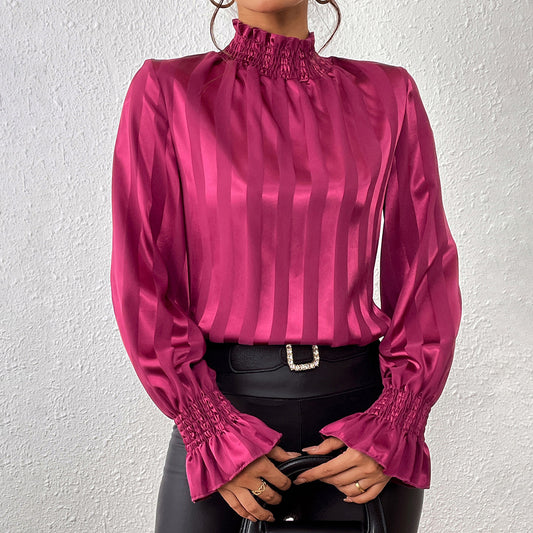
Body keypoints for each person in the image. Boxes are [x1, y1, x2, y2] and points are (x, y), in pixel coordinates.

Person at [110, 1, 462, 532]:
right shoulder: (168, 91)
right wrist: (210, 430)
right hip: (224, 417)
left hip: (360, 439)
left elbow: (426, 272)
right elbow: (141, 276)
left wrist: (395, 423)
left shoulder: (390, 96)